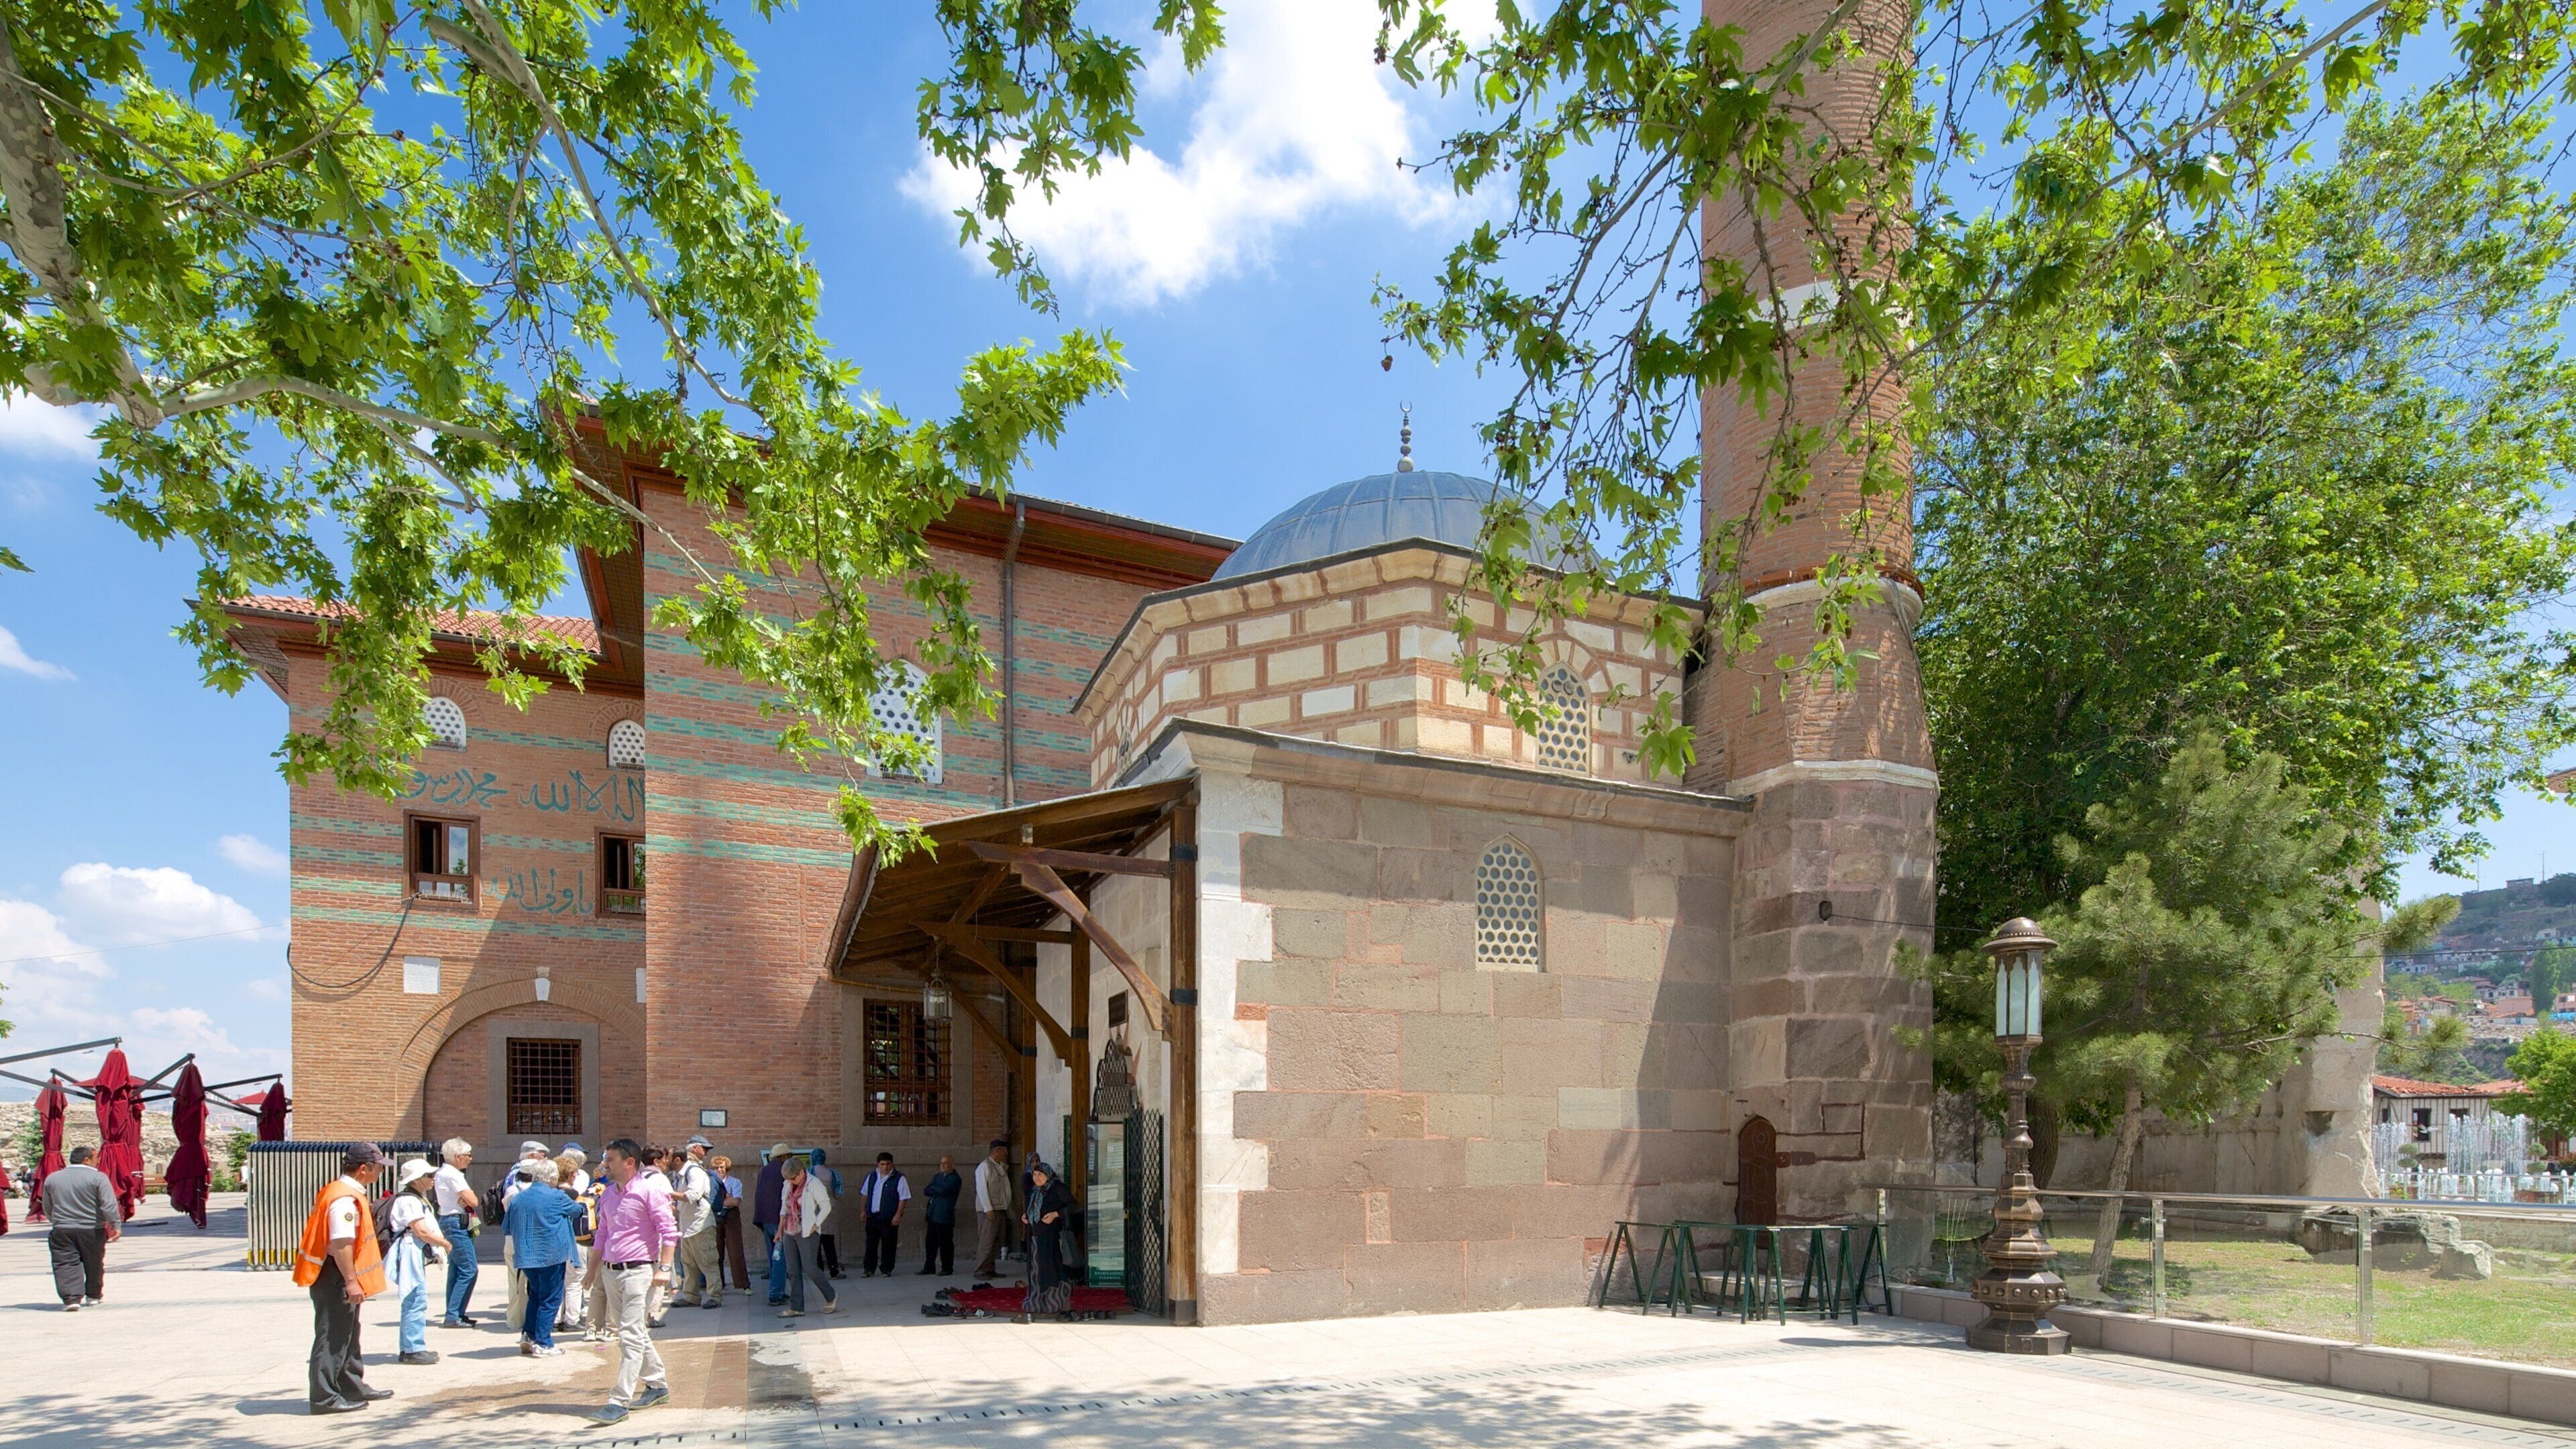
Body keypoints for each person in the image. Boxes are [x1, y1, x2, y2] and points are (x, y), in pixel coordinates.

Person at [582, 1138, 677, 1426]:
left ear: (629, 1162)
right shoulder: (609, 1195)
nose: (605, 1165)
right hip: (611, 1272)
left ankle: (618, 1401)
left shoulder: (650, 1192)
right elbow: (603, 1233)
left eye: (610, 1160)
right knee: (634, 1332)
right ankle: (658, 1385)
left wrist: (664, 1268)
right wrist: (592, 1270)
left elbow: (669, 1232)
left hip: (640, 1273)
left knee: (629, 1336)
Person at [297, 1142, 392, 1413]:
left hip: (338, 1273)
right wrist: (351, 1281)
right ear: (364, 1169)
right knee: (333, 1336)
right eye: (377, 1168)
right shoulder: (344, 1199)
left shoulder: (340, 1191)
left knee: (349, 1333)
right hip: (336, 1274)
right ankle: (325, 1397)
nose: (379, 1174)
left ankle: (350, 1384)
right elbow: (342, 1243)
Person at [500, 1156, 582, 1358]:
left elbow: (506, 1227)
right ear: (554, 1178)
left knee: (535, 1296)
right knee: (550, 1299)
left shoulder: (519, 1198)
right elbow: (578, 1211)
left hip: (527, 1257)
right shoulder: (557, 1197)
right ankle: (543, 1343)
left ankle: (528, 1336)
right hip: (551, 1256)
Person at [384, 1159, 451, 1365]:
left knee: (412, 1300)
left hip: (413, 1251)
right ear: (417, 1179)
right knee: (416, 1299)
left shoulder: (414, 1198)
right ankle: (414, 1348)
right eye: (429, 1176)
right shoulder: (410, 1201)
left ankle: (409, 1348)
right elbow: (420, 1230)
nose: (433, 1179)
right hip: (410, 1251)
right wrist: (443, 1243)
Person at [40, 1144, 119, 1310]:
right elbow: (109, 1203)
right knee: (94, 1262)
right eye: (96, 1158)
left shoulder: (53, 1178)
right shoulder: (99, 1178)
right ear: (86, 1160)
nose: (98, 1161)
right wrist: (115, 1224)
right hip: (92, 1228)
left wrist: (55, 1221)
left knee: (65, 1263)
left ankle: (71, 1299)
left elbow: (48, 1205)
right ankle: (93, 1295)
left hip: (62, 1229)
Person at [774, 1155, 840, 1318]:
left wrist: (816, 1224)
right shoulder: (787, 1184)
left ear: (801, 1173)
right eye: (788, 1179)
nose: (791, 1181)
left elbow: (826, 1206)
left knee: (810, 1268)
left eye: (793, 1178)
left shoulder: (814, 1184)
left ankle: (831, 1296)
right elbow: (784, 1208)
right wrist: (779, 1231)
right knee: (793, 1270)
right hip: (790, 1230)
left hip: (808, 1231)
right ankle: (797, 1307)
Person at [498, 1140, 549, 1332]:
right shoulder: (524, 1186)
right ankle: (521, 1319)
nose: (544, 1158)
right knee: (528, 1283)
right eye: (541, 1155)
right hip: (527, 1238)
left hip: (515, 1237)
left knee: (518, 1281)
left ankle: (517, 1318)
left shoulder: (512, 1181)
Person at [431, 1138, 480, 1328]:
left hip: (452, 1221)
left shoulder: (445, 1173)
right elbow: (473, 1200)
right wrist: (466, 1197)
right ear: (457, 1157)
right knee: (469, 1269)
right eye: (467, 1155)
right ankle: (453, 1315)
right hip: (455, 1223)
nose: (470, 1159)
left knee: (457, 1270)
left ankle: (455, 1312)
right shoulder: (453, 1175)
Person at [1019, 1161, 1076, 1322]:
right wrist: (1026, 1216)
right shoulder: (1035, 1191)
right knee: (1036, 1270)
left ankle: (1055, 1303)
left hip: (1051, 1238)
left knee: (1051, 1270)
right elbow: (1033, 1209)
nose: (1037, 1178)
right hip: (1035, 1238)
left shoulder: (1057, 1188)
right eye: (1035, 1175)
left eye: (1040, 1175)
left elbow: (1074, 1207)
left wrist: (1056, 1215)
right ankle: (1037, 1303)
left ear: (1048, 1175)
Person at [672, 1139, 722, 1309]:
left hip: (701, 1224)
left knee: (708, 1262)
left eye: (668, 1159)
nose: (665, 1162)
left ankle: (715, 1296)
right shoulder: (678, 1175)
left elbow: (692, 1195)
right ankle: (690, 1296)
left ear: (678, 1160)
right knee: (689, 1264)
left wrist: (669, 1193)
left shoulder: (695, 1172)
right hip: (686, 1226)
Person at [857, 1152, 910, 1278]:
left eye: (888, 1164)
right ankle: (869, 1269)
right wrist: (863, 1211)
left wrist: (898, 1215)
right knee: (871, 1244)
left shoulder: (899, 1178)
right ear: (878, 1165)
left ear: (892, 1164)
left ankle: (886, 1269)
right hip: (873, 1216)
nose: (885, 1167)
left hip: (889, 1217)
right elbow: (865, 1194)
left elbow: (903, 1198)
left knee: (889, 1244)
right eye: (882, 1164)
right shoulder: (872, 1177)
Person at [751, 1144, 789, 1305]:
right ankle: (775, 1294)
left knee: (773, 1256)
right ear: (784, 1157)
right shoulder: (785, 1171)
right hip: (779, 1221)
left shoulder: (764, 1170)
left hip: (765, 1220)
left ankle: (777, 1289)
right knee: (781, 1258)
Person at [971, 1140, 1014, 1280]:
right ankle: (980, 1269)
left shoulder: (1000, 1167)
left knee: (997, 1241)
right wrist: (988, 1208)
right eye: (1004, 1151)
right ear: (997, 1151)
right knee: (987, 1241)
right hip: (989, 1211)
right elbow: (982, 1189)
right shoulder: (984, 1167)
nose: (1006, 1154)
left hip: (1000, 1208)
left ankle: (989, 1268)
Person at [712, 1154, 751, 1291]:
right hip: (715, 1216)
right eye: (716, 1167)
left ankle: (743, 1285)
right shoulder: (711, 1182)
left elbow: (736, 1201)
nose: (719, 1170)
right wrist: (725, 1199)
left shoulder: (735, 1182)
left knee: (736, 1250)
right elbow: (709, 1201)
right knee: (717, 1251)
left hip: (732, 1216)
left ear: (727, 1167)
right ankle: (719, 1285)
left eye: (721, 1167)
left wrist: (719, 1201)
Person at [920, 1155, 961, 1275]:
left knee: (945, 1243)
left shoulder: (955, 1179)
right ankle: (929, 1266)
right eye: (941, 1163)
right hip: (932, 1214)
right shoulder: (937, 1177)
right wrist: (936, 1189)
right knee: (930, 1242)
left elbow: (944, 1191)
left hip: (944, 1215)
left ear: (952, 1165)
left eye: (946, 1163)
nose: (942, 1165)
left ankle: (947, 1268)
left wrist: (936, 1188)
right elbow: (926, 1190)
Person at [809, 1146, 846, 1279]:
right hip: (829, 1210)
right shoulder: (833, 1173)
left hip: (813, 1211)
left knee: (816, 1243)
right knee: (829, 1242)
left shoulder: (809, 1172)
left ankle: (818, 1271)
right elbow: (839, 1194)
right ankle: (834, 1270)